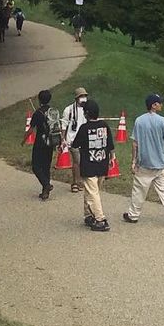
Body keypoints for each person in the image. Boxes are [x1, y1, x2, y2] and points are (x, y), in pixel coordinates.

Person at [122, 93, 164, 227]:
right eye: (160, 103)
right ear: (154, 105)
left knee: (139, 190)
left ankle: (133, 215)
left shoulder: (139, 121)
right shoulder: (162, 121)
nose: (161, 105)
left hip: (145, 163)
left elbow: (135, 143)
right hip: (162, 163)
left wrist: (134, 161)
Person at [72, 97, 114, 231]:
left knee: (93, 193)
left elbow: (75, 144)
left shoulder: (84, 128)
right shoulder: (105, 125)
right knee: (91, 191)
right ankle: (88, 214)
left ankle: (100, 219)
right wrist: (111, 158)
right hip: (102, 164)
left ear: (86, 114)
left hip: (89, 165)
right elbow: (110, 145)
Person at [26, 88, 58, 200]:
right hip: (51, 142)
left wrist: (24, 139)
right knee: (46, 166)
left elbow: (31, 129)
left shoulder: (37, 113)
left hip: (40, 142)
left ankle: (46, 185)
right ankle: (45, 191)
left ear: (39, 100)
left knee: (36, 166)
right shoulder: (53, 111)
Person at [60, 88, 89, 193]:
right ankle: (76, 182)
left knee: (83, 162)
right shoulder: (69, 110)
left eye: (85, 96)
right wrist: (63, 139)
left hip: (86, 140)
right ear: (76, 98)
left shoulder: (88, 109)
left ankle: (81, 181)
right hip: (73, 140)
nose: (83, 98)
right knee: (77, 161)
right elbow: (64, 124)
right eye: (81, 96)